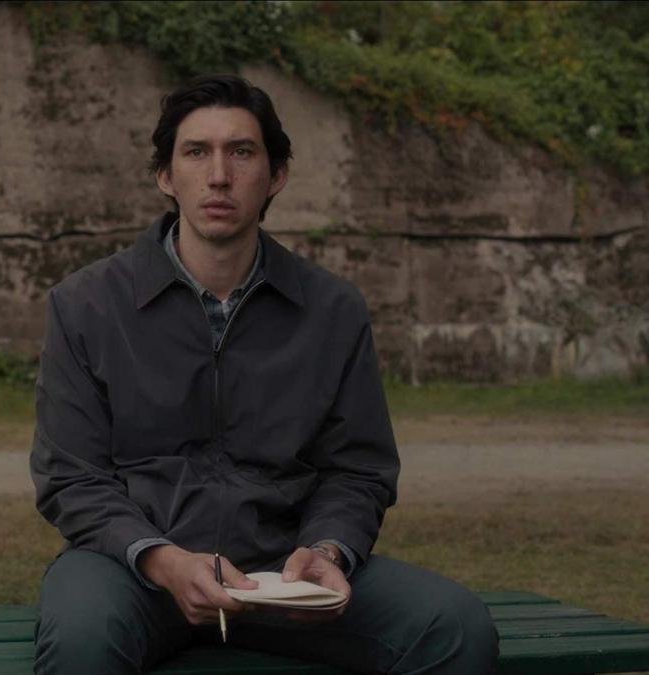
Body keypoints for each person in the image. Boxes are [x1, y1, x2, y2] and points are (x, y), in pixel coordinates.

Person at [29, 75, 499, 674]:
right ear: (166, 176)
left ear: (275, 175)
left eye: (241, 152)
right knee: (81, 639)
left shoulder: (332, 310)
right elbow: (71, 477)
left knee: (455, 627)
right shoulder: (85, 306)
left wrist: (328, 551)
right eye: (196, 152)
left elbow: (358, 467)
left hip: (286, 574)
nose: (219, 175)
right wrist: (164, 561)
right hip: (134, 570)